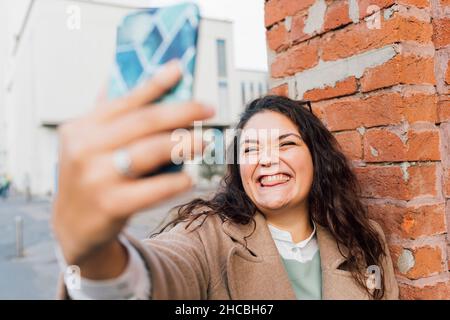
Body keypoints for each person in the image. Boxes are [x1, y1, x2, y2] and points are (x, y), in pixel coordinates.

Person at [53, 60, 398, 300]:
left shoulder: (364, 240)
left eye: (286, 144)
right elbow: (164, 272)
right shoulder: (207, 236)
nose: (267, 159)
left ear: (316, 156)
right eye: (250, 149)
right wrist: (95, 257)